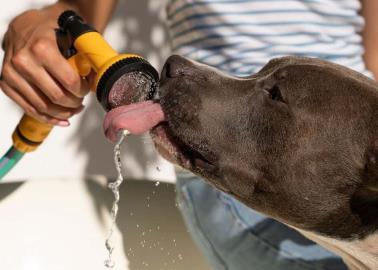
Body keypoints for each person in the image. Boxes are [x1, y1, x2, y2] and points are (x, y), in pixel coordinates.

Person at [1, 0, 377, 269]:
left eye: (274, 94)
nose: (178, 68)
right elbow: (75, 11)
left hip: (339, 153)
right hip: (232, 157)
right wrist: (37, 26)